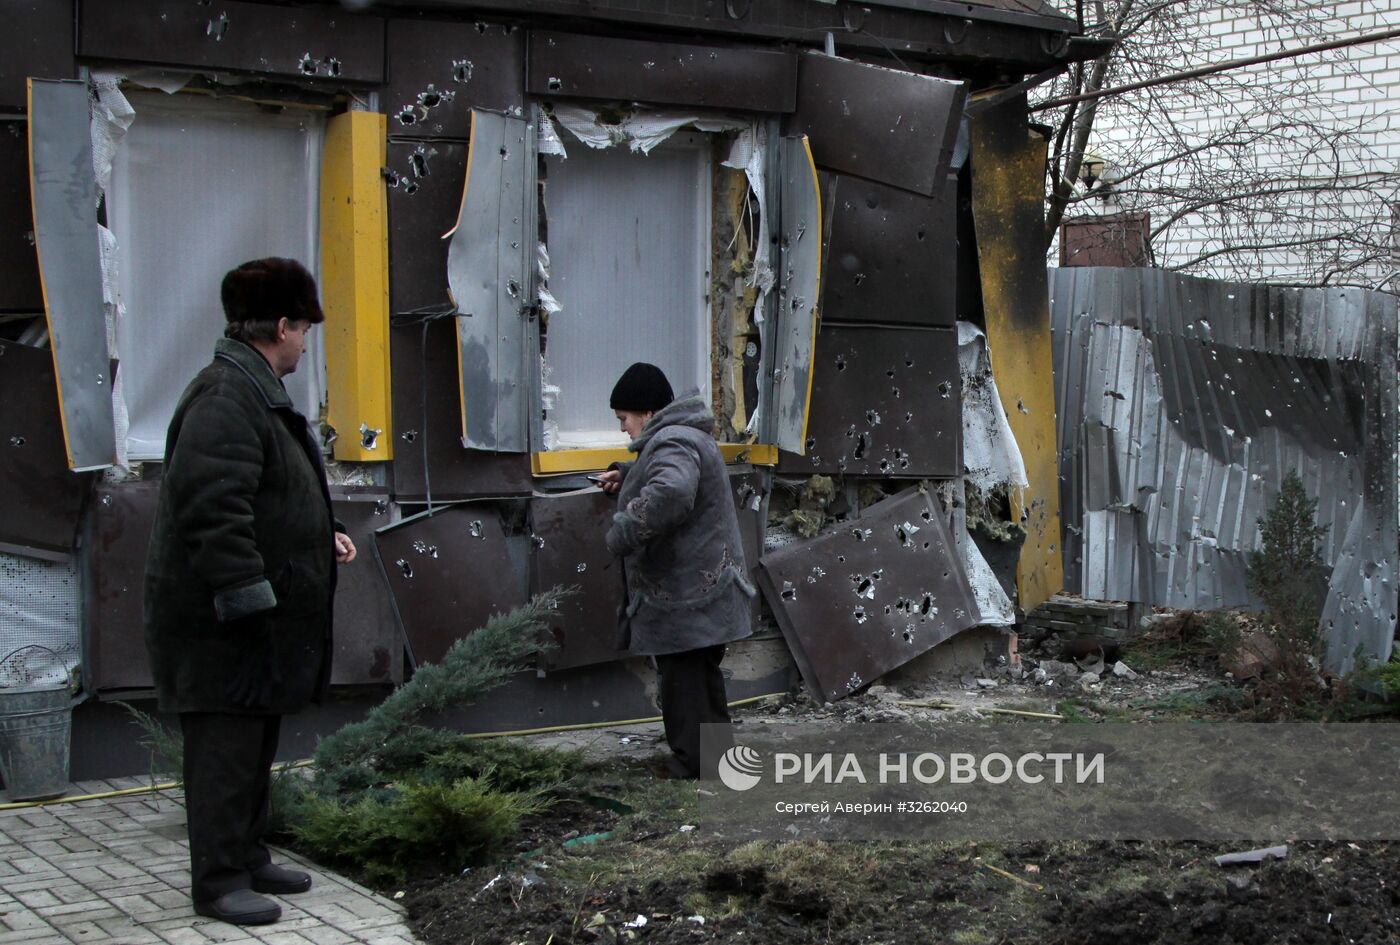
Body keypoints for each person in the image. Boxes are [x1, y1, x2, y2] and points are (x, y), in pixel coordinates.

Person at [143, 258, 356, 926]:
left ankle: (248, 852)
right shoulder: (226, 397)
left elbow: (268, 494)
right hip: (221, 624)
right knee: (224, 753)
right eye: (305, 330)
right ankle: (219, 880)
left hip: (252, 620)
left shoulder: (251, 390)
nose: (305, 343)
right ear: (284, 325)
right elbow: (215, 509)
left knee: (253, 744)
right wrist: (248, 598)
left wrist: (322, 532)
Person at [595, 363, 754, 779]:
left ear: (646, 413)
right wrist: (629, 474)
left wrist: (623, 531)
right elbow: (676, 478)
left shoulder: (671, 441)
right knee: (700, 682)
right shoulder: (685, 437)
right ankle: (716, 763)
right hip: (703, 592)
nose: (623, 429)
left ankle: (692, 765)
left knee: (684, 685)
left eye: (624, 419)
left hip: (686, 596)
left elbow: (672, 492)